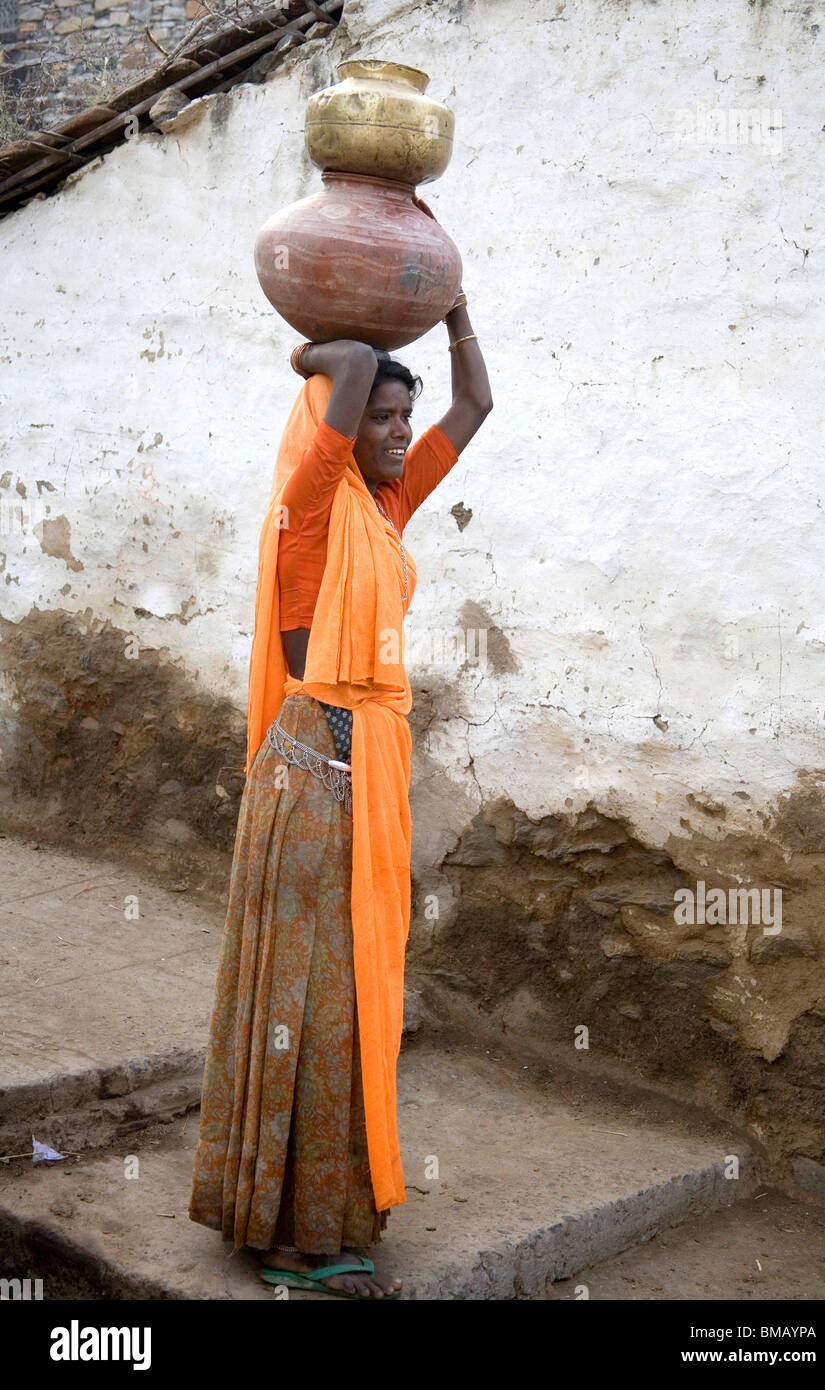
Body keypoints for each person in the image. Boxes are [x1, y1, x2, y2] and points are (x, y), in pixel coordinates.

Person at [188, 226, 492, 1300]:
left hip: (368, 769)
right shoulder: (314, 506)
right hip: (314, 766)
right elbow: (350, 363)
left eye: (403, 419)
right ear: (334, 428)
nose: (402, 431)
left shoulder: (385, 503)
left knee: (357, 989)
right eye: (382, 419)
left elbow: (477, 406)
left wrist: (451, 306)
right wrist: (315, 354)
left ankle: (331, 1217)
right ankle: (280, 1233)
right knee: (309, 992)